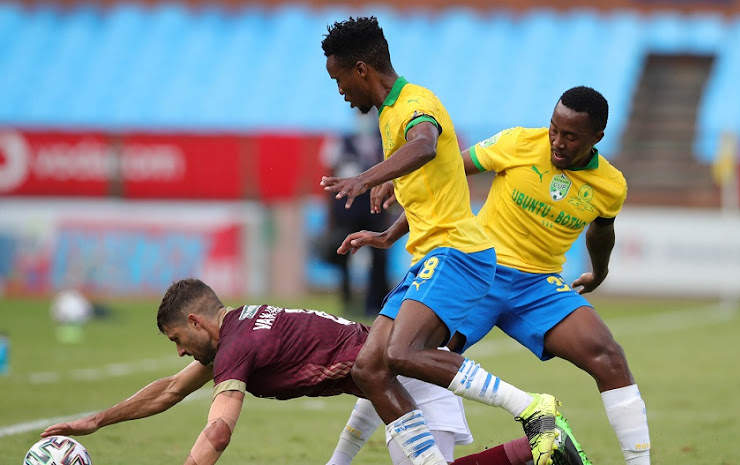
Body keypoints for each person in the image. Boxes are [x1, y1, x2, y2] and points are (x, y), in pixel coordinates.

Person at [358, 86, 651, 465]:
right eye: (553, 130)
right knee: (401, 357)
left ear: (597, 138)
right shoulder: (517, 143)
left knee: (609, 358)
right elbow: (442, 177)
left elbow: (601, 230)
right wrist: (393, 214)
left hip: (539, 287)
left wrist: (599, 271)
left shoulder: (611, 185)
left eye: (571, 136)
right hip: (479, 271)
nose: (557, 143)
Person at [321, 16, 559, 465]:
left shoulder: (414, 103)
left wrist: (366, 177)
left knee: (401, 353)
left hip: (458, 254)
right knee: (370, 367)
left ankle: (532, 407)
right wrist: (387, 235)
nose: (339, 91)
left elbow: (426, 145)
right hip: (430, 256)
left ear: (361, 70)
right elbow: (433, 189)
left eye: (338, 79)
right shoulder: (390, 115)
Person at [40, 278, 589, 465]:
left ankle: (537, 445)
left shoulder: (234, 348)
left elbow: (219, 429)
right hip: (390, 383)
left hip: (406, 382)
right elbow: (167, 393)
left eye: (177, 341)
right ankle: (534, 452)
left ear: (194, 321)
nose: (180, 354)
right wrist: (96, 421)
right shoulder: (241, 330)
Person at [319, 111, 391, 315]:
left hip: (374, 205)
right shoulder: (341, 140)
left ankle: (376, 302)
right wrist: (330, 213)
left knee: (379, 255)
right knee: (344, 255)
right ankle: (347, 301)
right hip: (346, 209)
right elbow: (328, 177)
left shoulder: (383, 140)